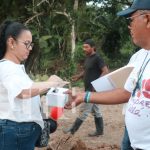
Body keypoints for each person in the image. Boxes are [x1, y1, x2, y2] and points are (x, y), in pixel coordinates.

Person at [65, 0, 150, 149]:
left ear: (148, 19)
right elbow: (126, 92)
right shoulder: (139, 57)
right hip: (133, 140)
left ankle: (80, 130)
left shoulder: (97, 58)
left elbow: (105, 71)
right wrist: (83, 95)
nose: (129, 26)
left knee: (89, 113)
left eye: (131, 20)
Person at [0, 20, 66, 150]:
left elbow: (28, 93)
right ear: (11, 42)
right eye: (26, 44)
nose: (30, 48)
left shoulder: (15, 68)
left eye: (31, 44)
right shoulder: (7, 67)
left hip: (18, 131)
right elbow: (24, 92)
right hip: (15, 132)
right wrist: (52, 82)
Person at [63, 39, 109, 136]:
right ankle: (100, 131)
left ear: (93, 47)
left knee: (84, 110)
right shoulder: (88, 58)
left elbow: (105, 71)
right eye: (83, 47)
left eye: (86, 47)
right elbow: (87, 71)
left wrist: (97, 84)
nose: (84, 49)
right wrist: (78, 76)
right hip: (88, 88)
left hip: (93, 90)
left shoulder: (97, 58)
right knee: (96, 110)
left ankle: (72, 130)